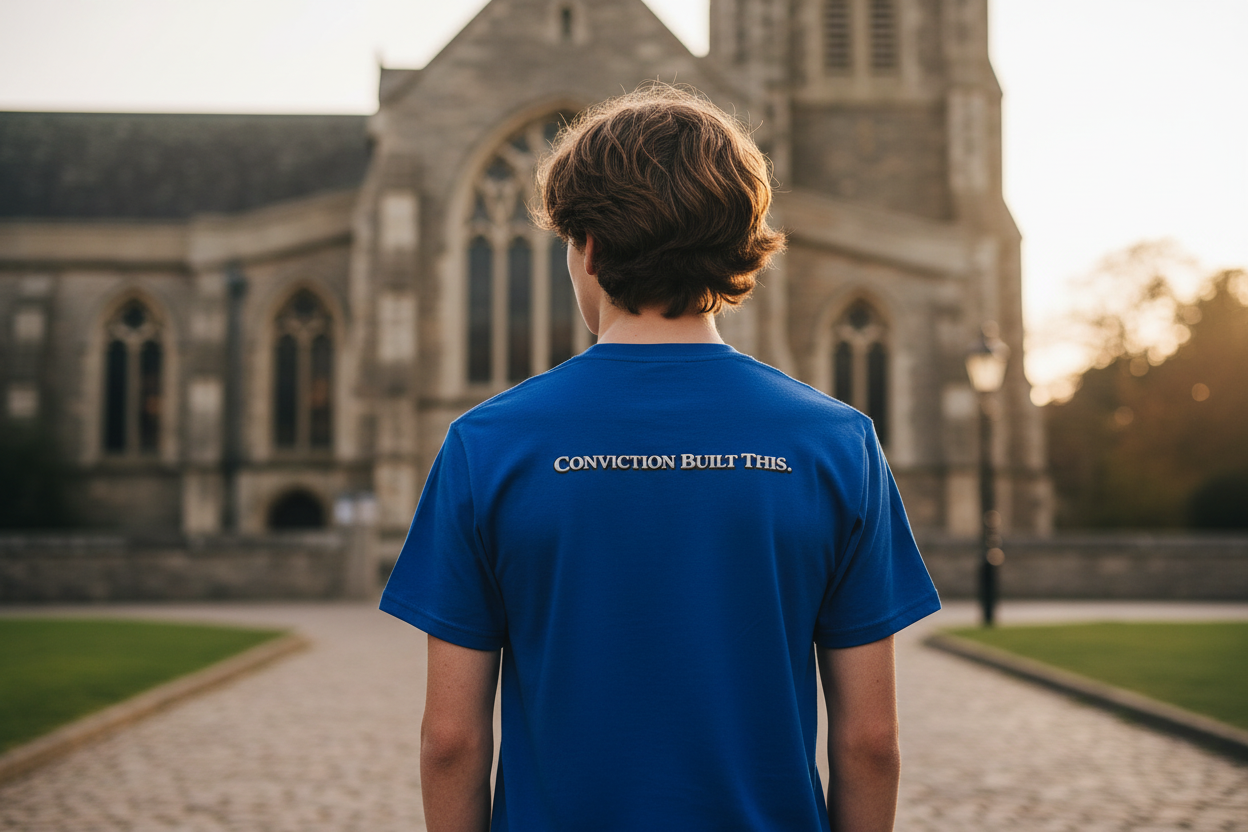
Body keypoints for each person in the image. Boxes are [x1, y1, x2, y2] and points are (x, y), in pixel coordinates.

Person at [380, 84, 941, 832]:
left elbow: (451, 742)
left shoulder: (486, 445)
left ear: (589, 249)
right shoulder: (839, 444)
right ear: (737, 247)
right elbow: (870, 744)